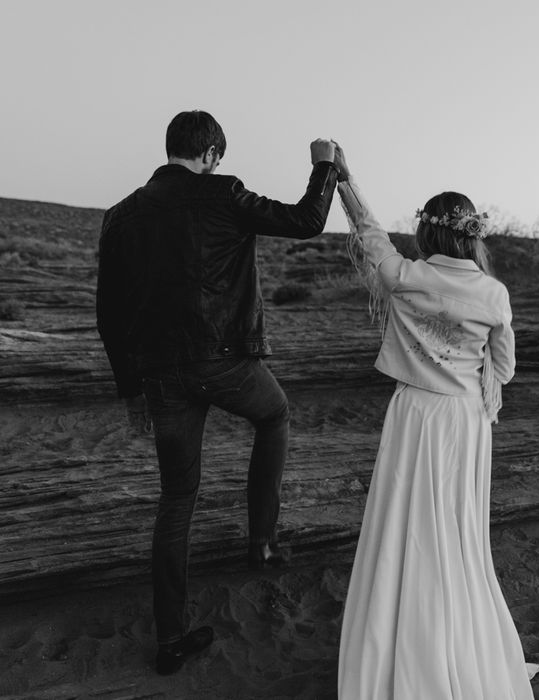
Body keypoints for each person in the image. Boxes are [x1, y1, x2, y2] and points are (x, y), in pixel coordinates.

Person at [96, 110, 341, 675]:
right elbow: (307, 221)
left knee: (176, 499)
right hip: (225, 362)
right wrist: (323, 164)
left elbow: (108, 317)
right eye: (218, 158)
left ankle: (170, 641)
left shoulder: (121, 216)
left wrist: (130, 390)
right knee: (275, 415)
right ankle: (261, 540)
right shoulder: (222, 193)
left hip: (159, 374)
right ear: (209, 153)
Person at [334, 146, 539, 698]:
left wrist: (344, 179)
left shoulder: (404, 275)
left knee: (406, 528)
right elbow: (505, 368)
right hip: (465, 420)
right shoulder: (494, 294)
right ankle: (459, 644)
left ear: (427, 233)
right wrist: (475, 386)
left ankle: (401, 641)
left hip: (415, 414)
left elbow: (370, 234)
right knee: (457, 532)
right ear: (472, 236)